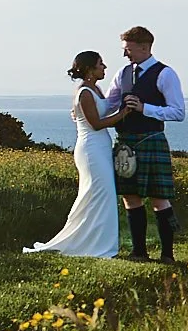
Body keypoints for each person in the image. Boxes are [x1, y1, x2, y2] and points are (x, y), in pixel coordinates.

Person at [25, 50, 127, 257]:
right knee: (98, 193)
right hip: (91, 150)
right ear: (90, 68)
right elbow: (96, 124)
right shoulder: (85, 92)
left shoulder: (95, 88)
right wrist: (123, 114)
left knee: (101, 195)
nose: (104, 67)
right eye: (101, 64)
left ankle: (96, 242)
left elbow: (102, 111)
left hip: (101, 148)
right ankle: (93, 245)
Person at [103, 25, 186, 261]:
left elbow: (178, 112)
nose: (124, 54)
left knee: (159, 197)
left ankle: (168, 254)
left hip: (151, 139)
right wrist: (82, 108)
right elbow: (109, 103)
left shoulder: (165, 74)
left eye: (127, 49)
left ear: (144, 47)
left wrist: (144, 108)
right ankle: (139, 252)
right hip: (126, 142)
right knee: (130, 196)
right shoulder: (122, 73)